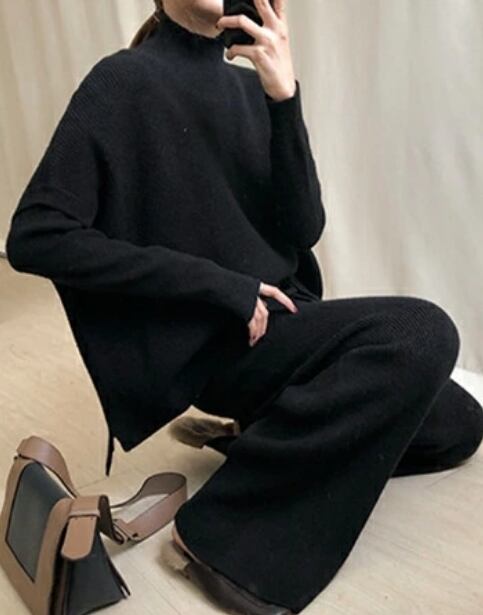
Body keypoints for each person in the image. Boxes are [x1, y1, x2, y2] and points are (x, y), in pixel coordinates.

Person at [5, 1, 483, 614]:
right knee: (424, 330)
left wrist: (284, 98)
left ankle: (269, 433)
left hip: (285, 324)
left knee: (459, 425)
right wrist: (219, 285)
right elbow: (37, 234)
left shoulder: (252, 88)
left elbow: (304, 228)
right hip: (219, 341)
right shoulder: (122, 80)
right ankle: (219, 541)